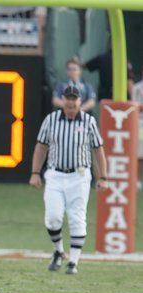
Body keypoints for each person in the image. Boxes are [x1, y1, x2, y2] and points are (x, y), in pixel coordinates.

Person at [29, 85, 108, 275]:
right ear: (63, 100)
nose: (71, 102)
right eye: (68, 98)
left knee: (77, 217)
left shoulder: (89, 121)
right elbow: (41, 146)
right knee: (53, 217)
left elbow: (98, 149)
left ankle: (73, 261)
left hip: (79, 175)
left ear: (80, 101)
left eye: (74, 98)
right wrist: (35, 172)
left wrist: (103, 176)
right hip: (55, 174)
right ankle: (59, 250)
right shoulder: (51, 120)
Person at [132, 69, 143, 189]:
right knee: (139, 153)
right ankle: (136, 179)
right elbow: (135, 106)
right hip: (140, 123)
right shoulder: (137, 87)